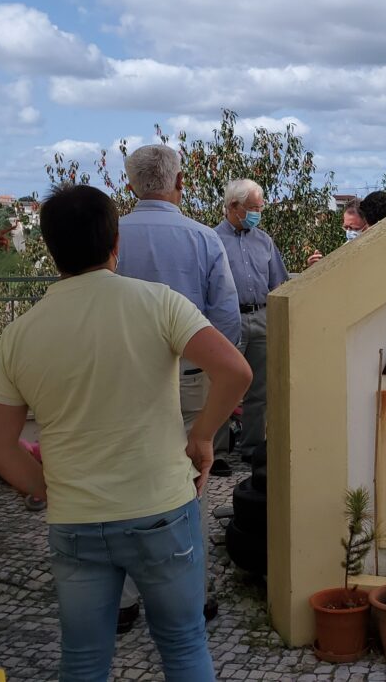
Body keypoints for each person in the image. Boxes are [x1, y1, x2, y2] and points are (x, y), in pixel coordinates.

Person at [0, 185, 250, 682]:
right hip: (161, 509)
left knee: (84, 659)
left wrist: (48, 487)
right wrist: (201, 437)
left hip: (77, 519)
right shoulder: (159, 303)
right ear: (115, 242)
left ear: (50, 249)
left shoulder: (20, 332)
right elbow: (235, 371)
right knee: (184, 644)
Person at [113, 143, 241, 630]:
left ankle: (124, 599)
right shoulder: (204, 239)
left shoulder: (111, 236)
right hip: (188, 375)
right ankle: (189, 594)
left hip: (122, 377)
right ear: (180, 183)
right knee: (191, 481)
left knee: (125, 477)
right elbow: (225, 316)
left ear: (130, 184)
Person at [214, 179, 289, 462]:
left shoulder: (264, 240)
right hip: (227, 319)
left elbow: (279, 282)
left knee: (260, 389)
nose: (258, 213)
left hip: (261, 317)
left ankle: (253, 448)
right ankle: (218, 452)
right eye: (253, 208)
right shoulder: (212, 240)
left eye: (260, 207)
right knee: (222, 385)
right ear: (234, 206)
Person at [306, 198, 368, 266]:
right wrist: (317, 265)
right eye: (346, 227)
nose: (348, 232)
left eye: (354, 228)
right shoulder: (344, 250)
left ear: (367, 226)